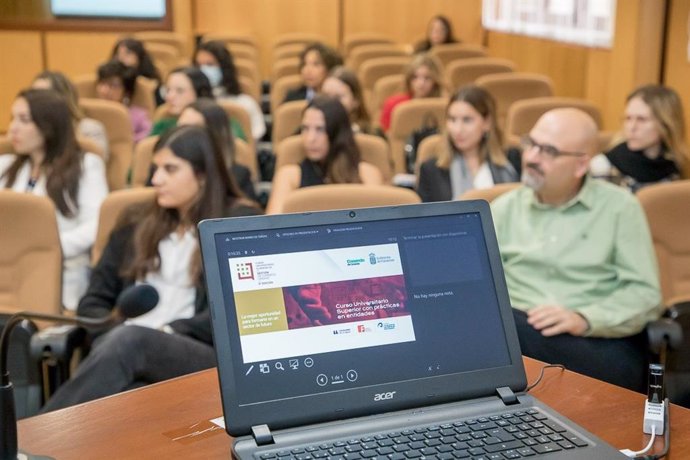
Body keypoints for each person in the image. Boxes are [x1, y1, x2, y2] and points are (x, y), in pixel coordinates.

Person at [40, 125, 262, 413]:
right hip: (126, 349)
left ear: (203, 175)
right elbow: (94, 301)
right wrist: (112, 332)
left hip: (202, 353)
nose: (156, 179)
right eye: (155, 168)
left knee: (133, 341)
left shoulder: (236, 224)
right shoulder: (135, 220)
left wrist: (165, 331)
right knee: (131, 393)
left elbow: (238, 310)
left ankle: (29, 443)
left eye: (170, 169)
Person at [491, 108, 662, 392]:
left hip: (595, 344)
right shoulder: (503, 209)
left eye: (548, 151)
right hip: (518, 335)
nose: (531, 157)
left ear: (581, 164)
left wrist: (584, 318)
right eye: (530, 144)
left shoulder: (620, 208)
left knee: (506, 333)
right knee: (503, 328)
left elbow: (645, 295)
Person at [1, 89, 108, 310]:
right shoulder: (5, 165)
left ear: (48, 126)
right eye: (12, 119)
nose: (13, 128)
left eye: (24, 120)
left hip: (60, 272)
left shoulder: (85, 166)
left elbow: (96, 224)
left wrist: (49, 249)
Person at [266, 95, 383, 214]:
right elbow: (273, 226)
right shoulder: (290, 175)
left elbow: (378, 224)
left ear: (337, 132)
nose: (310, 139)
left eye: (320, 129)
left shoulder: (366, 173)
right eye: (305, 128)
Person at [417, 86, 520, 202]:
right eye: (452, 119)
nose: (457, 129)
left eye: (467, 120)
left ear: (487, 122)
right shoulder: (431, 170)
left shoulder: (512, 159)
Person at [591, 84, 688, 192]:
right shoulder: (602, 167)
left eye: (642, 119)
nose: (631, 127)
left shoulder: (678, 165)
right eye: (628, 118)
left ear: (665, 124)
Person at [177, 98, 257, 200]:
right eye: (179, 129)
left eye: (192, 131)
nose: (181, 136)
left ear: (215, 137)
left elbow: (247, 212)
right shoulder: (161, 170)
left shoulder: (238, 177)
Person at [193, 40, 266, 141]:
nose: (203, 70)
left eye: (209, 65)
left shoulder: (245, 104)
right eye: (198, 65)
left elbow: (252, 142)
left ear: (224, 67)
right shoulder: (189, 103)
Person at [150, 66, 246, 141]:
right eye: (168, 90)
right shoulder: (161, 125)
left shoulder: (226, 125)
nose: (169, 97)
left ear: (200, 94)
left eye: (179, 91)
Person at [31, 71, 109, 159]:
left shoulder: (89, 127)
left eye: (43, 96)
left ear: (63, 99)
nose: (36, 102)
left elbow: (100, 159)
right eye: (33, 96)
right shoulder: (29, 129)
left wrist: (61, 133)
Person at [379, 53, 444, 132]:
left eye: (427, 78)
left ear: (435, 81)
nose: (421, 83)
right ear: (409, 79)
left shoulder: (444, 106)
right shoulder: (393, 105)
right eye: (415, 77)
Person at [96, 59, 152, 143]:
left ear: (126, 92)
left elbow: (149, 135)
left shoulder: (138, 116)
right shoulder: (90, 112)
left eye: (113, 85)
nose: (105, 90)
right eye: (102, 83)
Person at [321, 66, 373, 134]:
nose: (330, 102)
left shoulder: (371, 136)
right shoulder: (307, 131)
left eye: (338, 97)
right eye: (326, 96)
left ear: (356, 100)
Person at [111, 37, 163, 105]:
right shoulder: (110, 78)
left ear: (139, 57)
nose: (121, 58)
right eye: (118, 54)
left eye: (128, 53)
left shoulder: (150, 82)